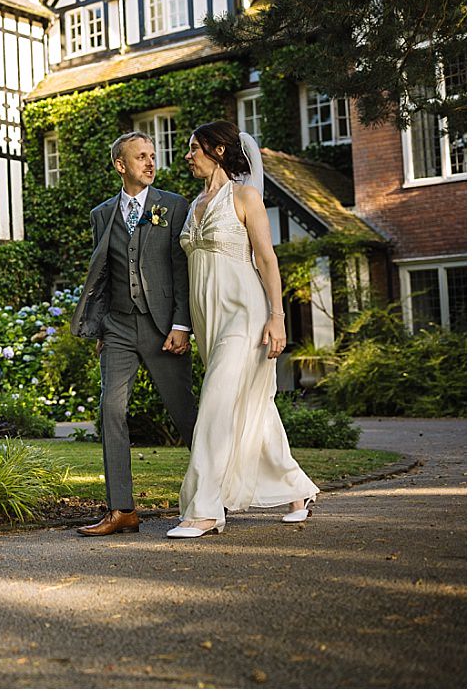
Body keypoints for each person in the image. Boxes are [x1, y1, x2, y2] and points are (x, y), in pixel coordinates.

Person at [169, 121, 320, 539]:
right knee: (255, 406)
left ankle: (204, 508)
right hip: (208, 319)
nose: (187, 156)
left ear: (218, 151)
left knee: (216, 403)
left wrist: (278, 316)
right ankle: (296, 489)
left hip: (245, 315)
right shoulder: (192, 203)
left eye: (194, 148)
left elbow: (268, 260)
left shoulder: (245, 196)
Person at [70, 132, 198, 537]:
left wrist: (182, 324)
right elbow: (103, 273)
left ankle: (216, 493)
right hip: (119, 327)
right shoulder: (101, 214)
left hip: (164, 327)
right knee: (111, 411)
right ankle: (121, 510)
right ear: (120, 165)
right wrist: (102, 327)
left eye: (152, 156)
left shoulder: (174, 206)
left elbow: (182, 269)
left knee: (186, 414)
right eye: (140, 157)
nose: (150, 162)